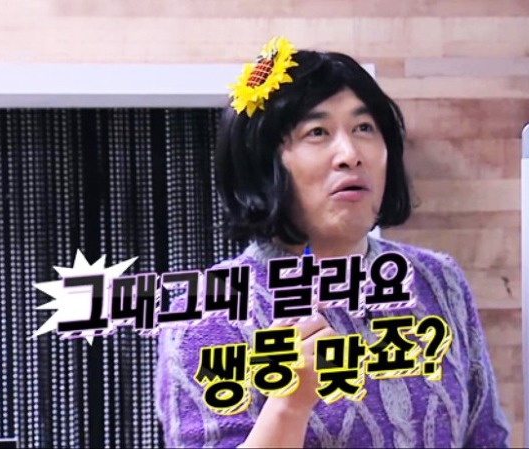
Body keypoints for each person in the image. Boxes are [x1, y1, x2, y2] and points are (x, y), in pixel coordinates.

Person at [155, 36, 510, 448]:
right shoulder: (205, 315)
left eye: (364, 128)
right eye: (318, 132)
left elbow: (486, 436)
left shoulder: (437, 280)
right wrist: (289, 406)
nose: (350, 154)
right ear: (265, 163)